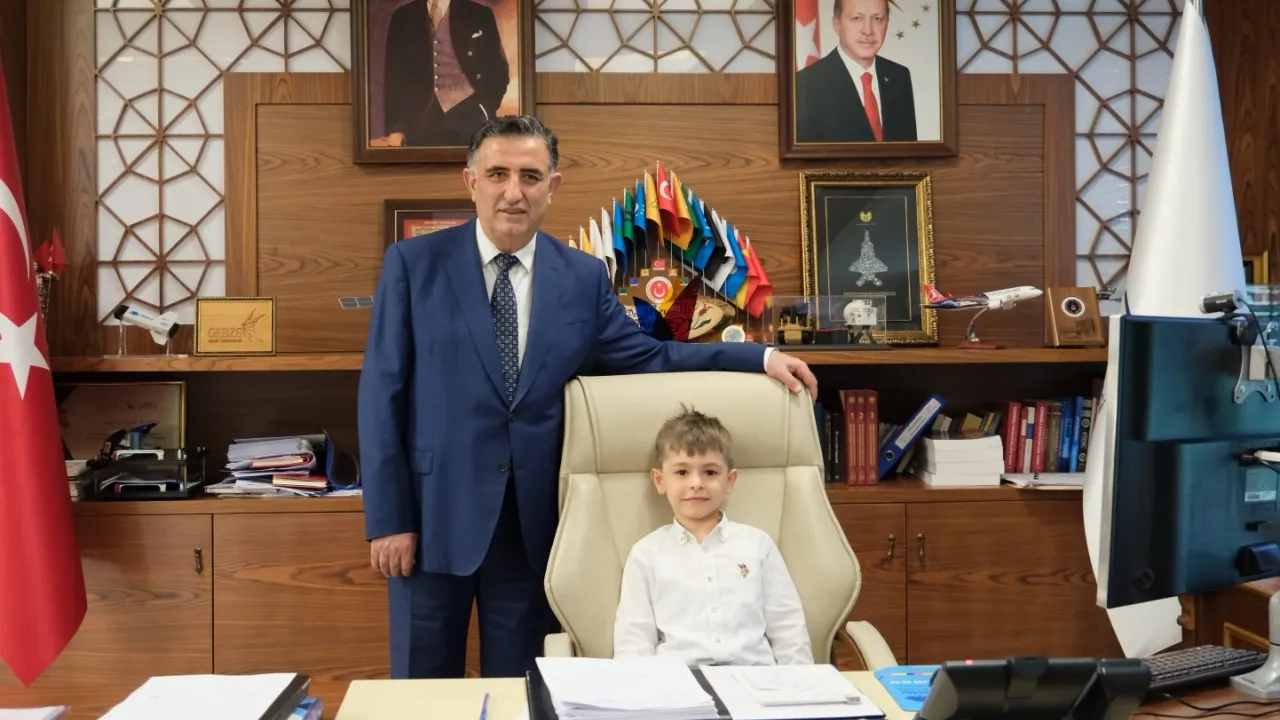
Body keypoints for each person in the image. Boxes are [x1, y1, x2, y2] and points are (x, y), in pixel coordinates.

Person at [358, 114, 819, 680]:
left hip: (533, 527)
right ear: (470, 181)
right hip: (431, 519)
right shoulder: (413, 265)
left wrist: (757, 357)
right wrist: (389, 518)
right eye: (497, 174)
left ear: (553, 186)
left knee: (523, 691)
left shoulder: (580, 276)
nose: (513, 191)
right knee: (421, 696)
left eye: (530, 176)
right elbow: (381, 394)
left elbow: (651, 357)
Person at [613, 406, 813, 666]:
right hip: (681, 682)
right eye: (682, 472)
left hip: (756, 679)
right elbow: (633, 640)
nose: (696, 483)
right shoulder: (646, 554)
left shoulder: (757, 545)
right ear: (660, 481)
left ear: (729, 480)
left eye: (710, 472)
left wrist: (801, 683)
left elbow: (788, 627)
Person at [375, 0, 511, 148]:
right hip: (417, 123)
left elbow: (498, 70)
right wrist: (396, 128)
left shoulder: (480, 14)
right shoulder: (402, 16)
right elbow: (394, 78)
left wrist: (484, 108)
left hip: (471, 119)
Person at [795, 0, 917, 144]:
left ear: (887, 24)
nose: (868, 31)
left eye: (877, 19)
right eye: (857, 18)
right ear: (837, 24)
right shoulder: (807, 84)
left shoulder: (899, 77)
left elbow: (909, 152)